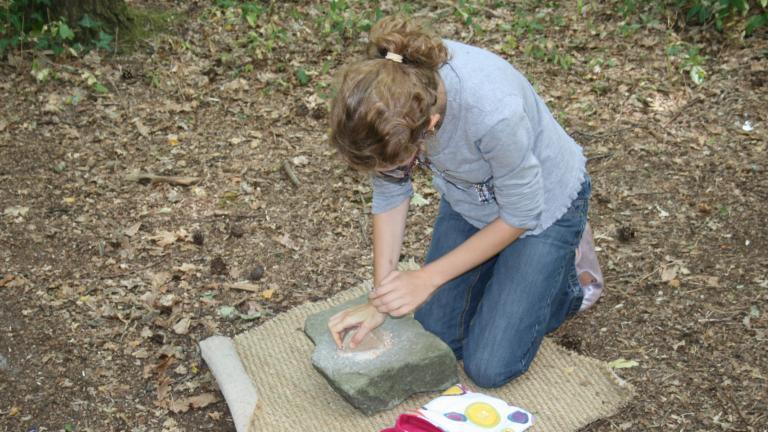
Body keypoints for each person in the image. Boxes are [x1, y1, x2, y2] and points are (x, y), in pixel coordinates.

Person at [326, 15, 598, 388]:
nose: (394, 171)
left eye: (401, 161)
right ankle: (508, 266)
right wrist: (381, 300)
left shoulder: (492, 112)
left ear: (431, 125)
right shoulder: (388, 99)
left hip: (542, 208)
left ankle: (564, 272)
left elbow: (521, 213)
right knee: (436, 336)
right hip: (471, 198)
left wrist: (427, 277)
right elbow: (390, 192)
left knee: (489, 366)